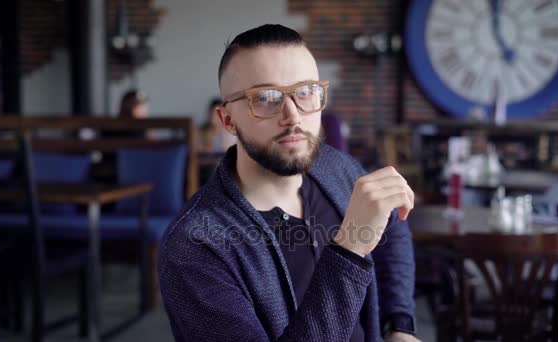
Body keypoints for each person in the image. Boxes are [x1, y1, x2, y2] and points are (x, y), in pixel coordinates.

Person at [158, 24, 417, 342]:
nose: (293, 116)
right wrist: (350, 248)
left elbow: (393, 226)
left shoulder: (336, 166)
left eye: (306, 91)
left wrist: (399, 323)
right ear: (227, 120)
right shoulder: (195, 244)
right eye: (266, 98)